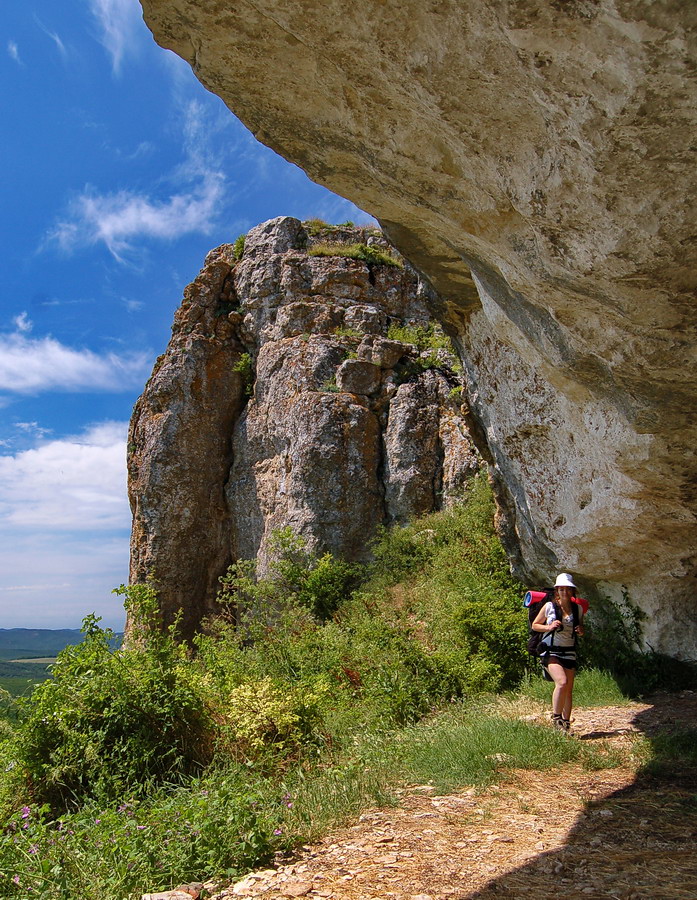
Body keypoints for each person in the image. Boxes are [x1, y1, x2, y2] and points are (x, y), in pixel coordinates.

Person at [531, 573, 584, 731]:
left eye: (567, 589)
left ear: (572, 591)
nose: (564, 592)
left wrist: (581, 630)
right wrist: (549, 627)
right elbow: (535, 625)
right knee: (562, 682)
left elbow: (580, 628)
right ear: (556, 591)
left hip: (569, 650)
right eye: (561, 589)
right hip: (550, 651)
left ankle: (566, 724)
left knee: (568, 690)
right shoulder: (549, 607)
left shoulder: (578, 609)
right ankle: (556, 719)